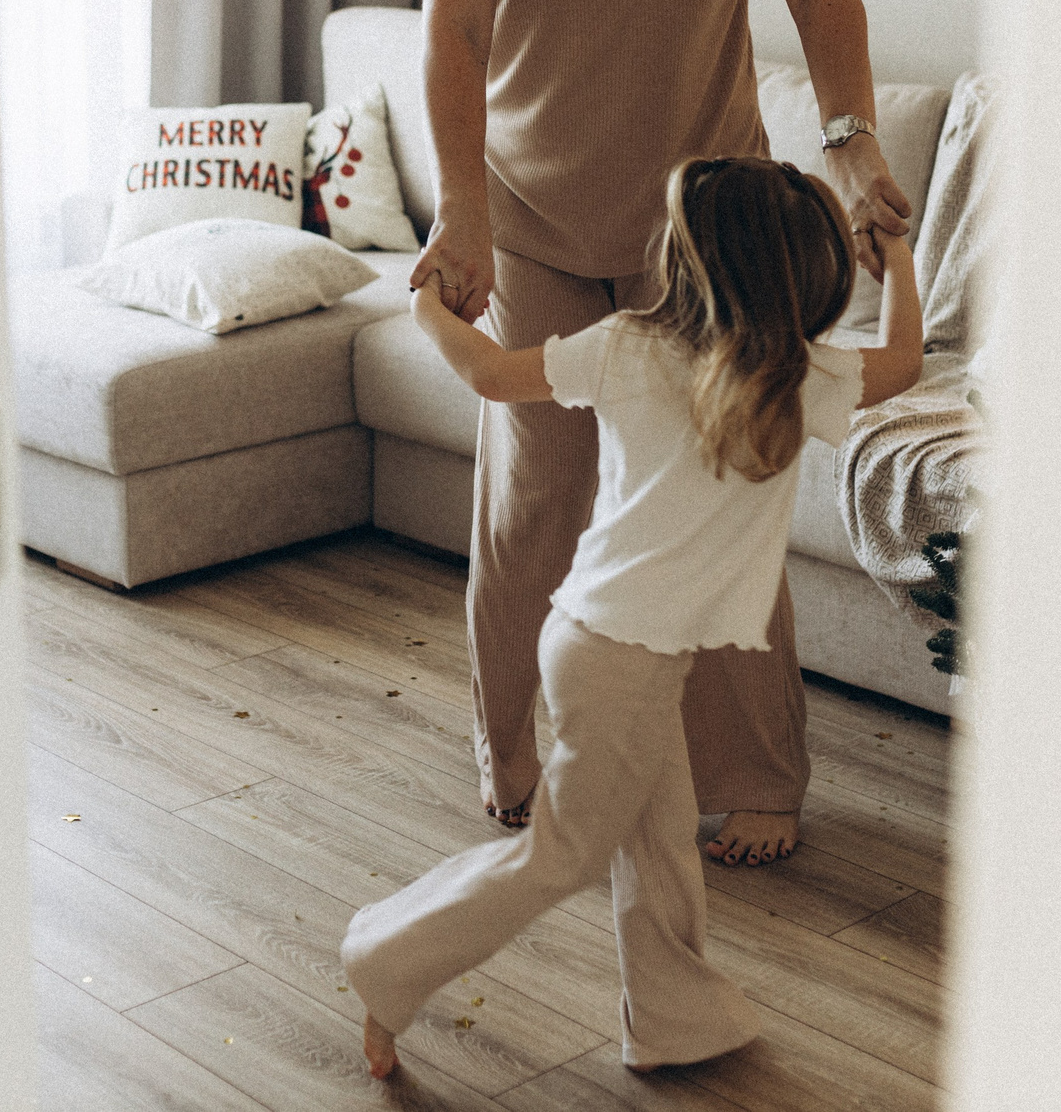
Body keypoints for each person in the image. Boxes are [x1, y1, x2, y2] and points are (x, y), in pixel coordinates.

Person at [413, 0, 911, 866]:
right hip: (536, 218)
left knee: (726, 492)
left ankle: (755, 772)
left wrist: (851, 147)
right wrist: (461, 211)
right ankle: (519, 754)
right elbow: (456, 30)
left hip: (708, 235)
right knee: (539, 495)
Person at [351, 156, 923, 1080]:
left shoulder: (627, 345)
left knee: (658, 842)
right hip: (621, 656)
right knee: (564, 855)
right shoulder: (799, 376)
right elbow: (903, 359)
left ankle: (676, 1017)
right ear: (798, 274)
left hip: (600, 640)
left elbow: (492, 374)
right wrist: (895, 256)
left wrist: (429, 306)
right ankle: (385, 959)